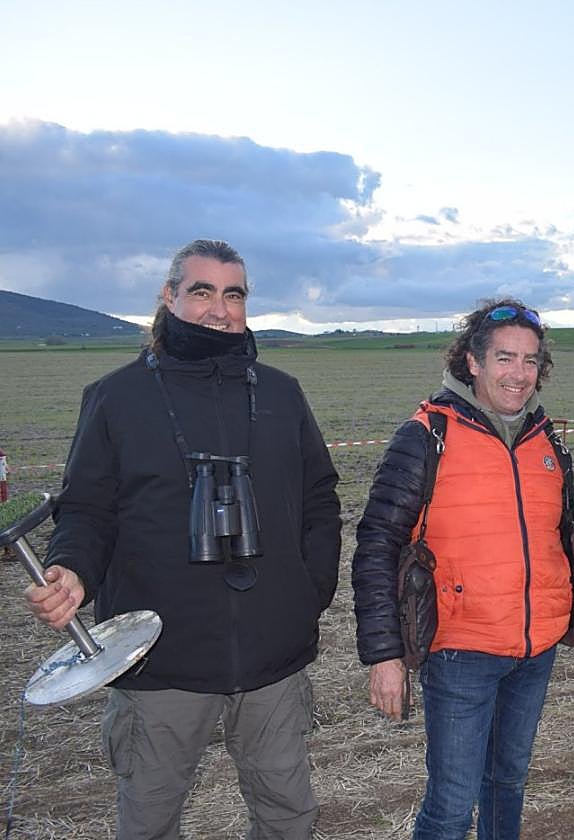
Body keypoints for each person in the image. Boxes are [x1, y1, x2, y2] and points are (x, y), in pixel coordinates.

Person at [24, 239, 342, 839]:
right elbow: (87, 509)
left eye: (233, 294)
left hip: (272, 656)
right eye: (201, 291)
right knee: (149, 819)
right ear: (169, 297)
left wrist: (309, 591)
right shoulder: (116, 397)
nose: (219, 309)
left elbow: (320, 499)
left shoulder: (280, 393)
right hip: (157, 659)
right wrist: (71, 568)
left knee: (288, 814)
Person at [352, 298, 574, 840]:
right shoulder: (427, 433)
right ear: (473, 362)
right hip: (462, 651)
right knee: (452, 806)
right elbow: (376, 543)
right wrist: (384, 654)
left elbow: (562, 529)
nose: (519, 375)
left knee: (507, 783)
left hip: (534, 647)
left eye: (530, 361)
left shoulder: (544, 438)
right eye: (504, 359)